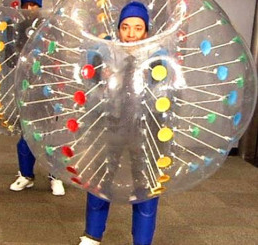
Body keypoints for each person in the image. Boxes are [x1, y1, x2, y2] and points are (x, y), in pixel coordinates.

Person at [78, 2, 159, 245]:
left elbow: (166, 95)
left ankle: (142, 241)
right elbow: (89, 80)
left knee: (145, 185)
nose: (131, 34)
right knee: (100, 181)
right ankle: (92, 235)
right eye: (125, 27)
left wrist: (151, 80)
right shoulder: (106, 53)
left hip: (144, 132)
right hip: (110, 126)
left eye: (137, 28)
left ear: (146, 31)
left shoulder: (157, 57)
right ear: (118, 29)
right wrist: (99, 75)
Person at [9, 0, 66, 196]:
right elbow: (9, 59)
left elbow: (62, 54)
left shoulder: (52, 26)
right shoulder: (17, 28)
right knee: (27, 133)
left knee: (51, 133)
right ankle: (26, 175)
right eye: (26, 6)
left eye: (35, 6)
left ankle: (55, 176)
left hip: (49, 88)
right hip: (26, 89)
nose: (30, 10)